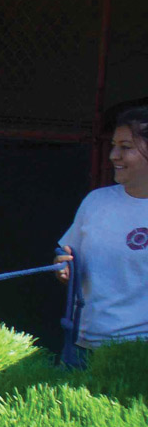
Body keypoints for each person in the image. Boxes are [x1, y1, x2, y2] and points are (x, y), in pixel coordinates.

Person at [55, 102, 148, 349]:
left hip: (137, 350)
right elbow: (68, 254)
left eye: (126, 147)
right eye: (114, 146)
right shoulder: (97, 201)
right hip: (83, 342)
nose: (113, 155)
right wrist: (64, 267)